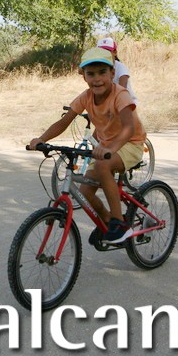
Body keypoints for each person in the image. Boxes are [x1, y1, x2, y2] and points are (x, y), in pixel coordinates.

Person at [28, 47, 147, 244]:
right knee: (84, 192)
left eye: (102, 72)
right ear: (83, 76)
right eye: (91, 74)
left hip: (130, 143)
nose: (97, 79)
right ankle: (107, 221)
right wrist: (42, 139)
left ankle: (119, 223)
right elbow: (64, 122)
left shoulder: (121, 95)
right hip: (106, 148)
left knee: (102, 166)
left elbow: (129, 128)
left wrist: (110, 149)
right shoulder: (86, 97)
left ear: (112, 73)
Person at [96, 37, 138, 105]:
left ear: (115, 52)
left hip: (125, 102)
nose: (105, 55)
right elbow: (81, 70)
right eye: (101, 52)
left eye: (107, 52)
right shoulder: (97, 67)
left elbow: (122, 89)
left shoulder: (120, 67)